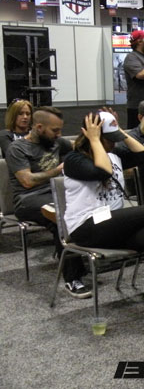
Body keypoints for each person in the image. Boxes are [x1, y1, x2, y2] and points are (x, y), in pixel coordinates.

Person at [63, 111, 144, 330]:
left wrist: (118, 130)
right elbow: (102, 172)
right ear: (91, 135)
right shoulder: (74, 159)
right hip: (86, 226)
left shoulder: (114, 153)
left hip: (113, 226)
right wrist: (94, 139)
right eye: (109, 139)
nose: (113, 143)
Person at [5, 107, 88, 297]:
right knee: (61, 217)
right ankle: (73, 278)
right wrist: (59, 170)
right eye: (55, 130)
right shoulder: (17, 149)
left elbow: (80, 146)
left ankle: (78, 254)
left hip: (56, 194)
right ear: (39, 127)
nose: (59, 134)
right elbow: (27, 181)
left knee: (86, 206)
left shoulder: (56, 142)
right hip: (28, 200)